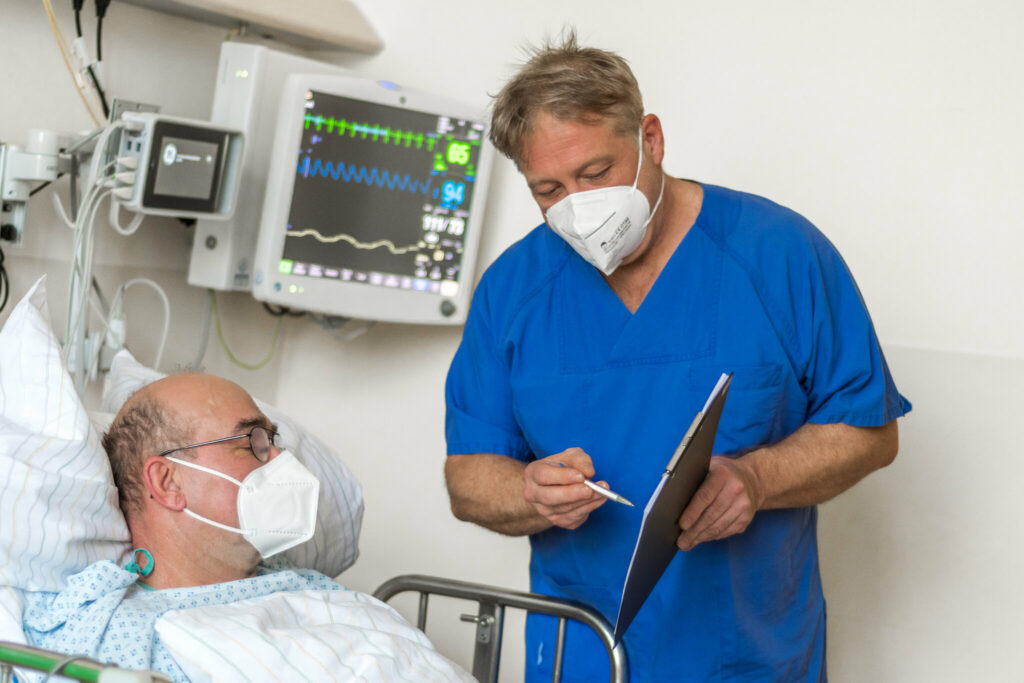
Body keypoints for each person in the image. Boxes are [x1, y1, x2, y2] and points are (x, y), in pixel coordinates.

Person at [443, 30, 911, 682]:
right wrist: (527, 490)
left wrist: (758, 479)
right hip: (582, 655)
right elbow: (468, 477)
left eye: (596, 173)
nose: (579, 208)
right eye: (548, 189)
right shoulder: (514, 291)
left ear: (651, 140)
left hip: (748, 658)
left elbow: (870, 431)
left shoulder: (778, 255)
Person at [21, 373, 471, 682]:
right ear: (168, 481)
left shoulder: (316, 590)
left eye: (272, 440)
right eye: (252, 443)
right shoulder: (124, 638)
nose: (279, 460)